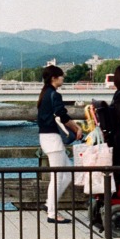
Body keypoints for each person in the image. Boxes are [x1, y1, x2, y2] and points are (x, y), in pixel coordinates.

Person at [37, 64, 83, 224]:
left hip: (47, 138)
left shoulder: (45, 94)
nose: (63, 78)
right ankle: (52, 213)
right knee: (57, 177)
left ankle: (49, 204)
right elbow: (62, 116)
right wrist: (77, 127)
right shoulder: (54, 95)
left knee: (68, 174)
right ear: (54, 78)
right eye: (61, 76)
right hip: (52, 140)